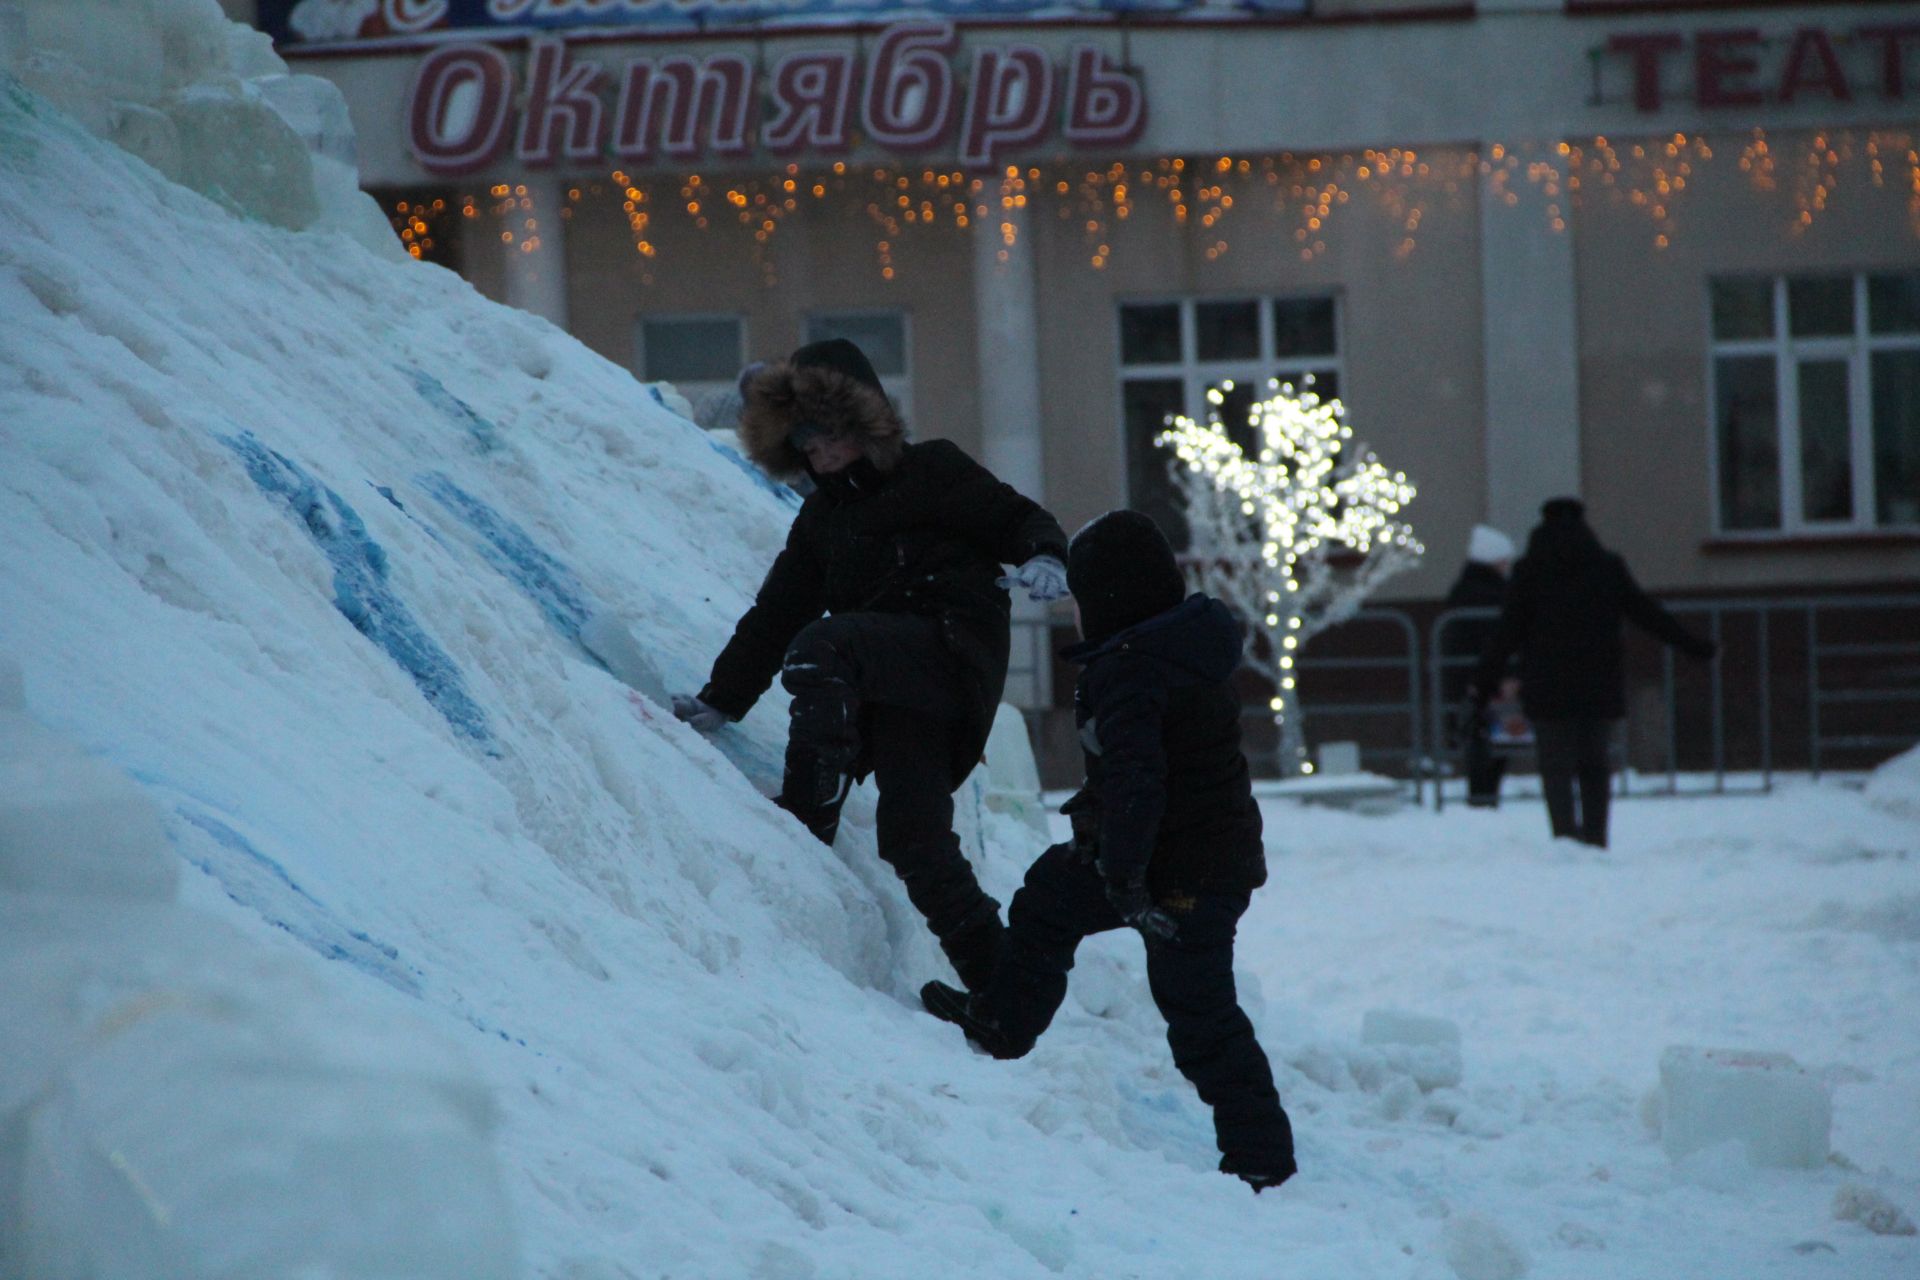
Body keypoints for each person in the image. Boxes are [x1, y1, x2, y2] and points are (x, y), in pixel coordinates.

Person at [672, 338, 1069, 992]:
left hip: (950, 649)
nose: (818, 452)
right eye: (804, 438)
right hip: (895, 691)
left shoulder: (933, 470)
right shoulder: (821, 520)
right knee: (913, 839)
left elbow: (1015, 518)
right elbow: (776, 613)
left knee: (825, 645)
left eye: (828, 433)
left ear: (865, 423)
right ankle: (1005, 990)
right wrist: (722, 698)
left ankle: (808, 819)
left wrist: (1046, 554)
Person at [919, 511, 1297, 1192]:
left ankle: (1261, 1156)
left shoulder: (1136, 670)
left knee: (1199, 1011)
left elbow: (1140, 780)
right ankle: (1004, 1022)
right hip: (1172, 851)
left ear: (1111, 601)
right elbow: (1142, 776)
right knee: (1049, 898)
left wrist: (1122, 873)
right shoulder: (1172, 650)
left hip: (1187, 869)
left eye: (1084, 600)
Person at [1470, 497, 1716, 848]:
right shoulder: (1607, 566)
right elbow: (1646, 613)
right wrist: (1696, 647)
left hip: (1547, 684)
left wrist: (1482, 681)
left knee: (1555, 767)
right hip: (1597, 682)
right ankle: (1596, 836)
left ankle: (1565, 837)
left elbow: (1507, 632)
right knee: (1594, 764)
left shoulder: (1530, 570)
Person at [1442, 524, 1515, 808]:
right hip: (1483, 682)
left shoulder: (1464, 590)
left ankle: (1482, 798)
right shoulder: (1493, 594)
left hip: (1467, 682)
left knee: (1481, 742)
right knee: (1490, 746)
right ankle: (1484, 799)